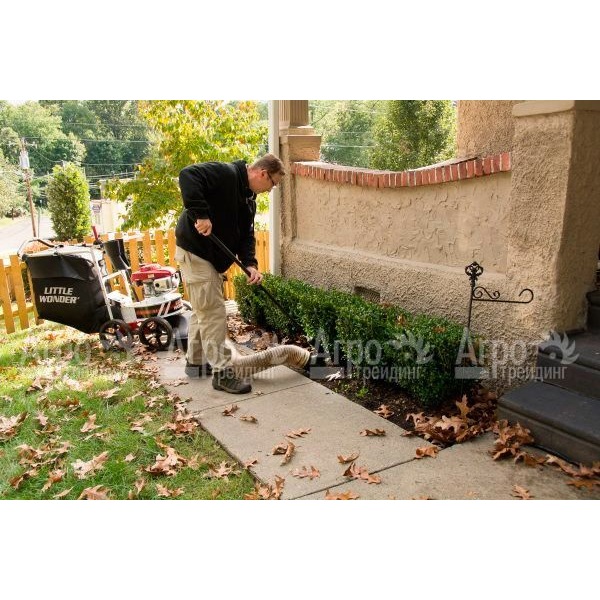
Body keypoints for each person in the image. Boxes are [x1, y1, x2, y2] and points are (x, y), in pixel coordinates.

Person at [174, 153, 285, 394]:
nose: (270, 189)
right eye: (273, 184)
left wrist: (250, 264)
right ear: (263, 173)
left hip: (210, 258)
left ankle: (195, 363)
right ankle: (222, 373)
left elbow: (246, 236)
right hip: (196, 252)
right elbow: (188, 175)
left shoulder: (249, 200)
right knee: (213, 312)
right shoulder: (226, 173)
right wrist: (201, 214)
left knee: (203, 309)